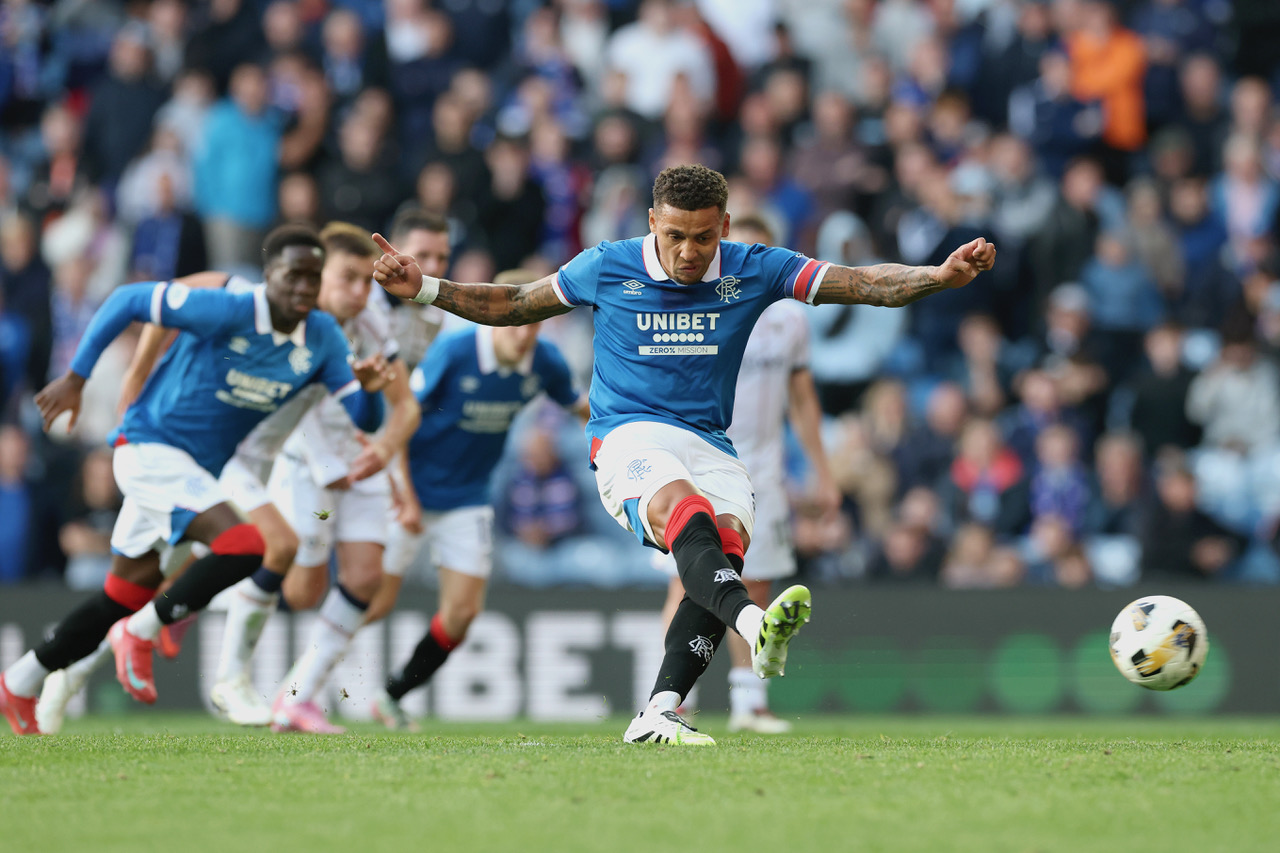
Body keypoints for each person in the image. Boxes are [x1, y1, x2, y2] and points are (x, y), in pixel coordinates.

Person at [371, 163, 996, 744]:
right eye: (675, 236)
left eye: (702, 238)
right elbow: (511, 304)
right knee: (688, 515)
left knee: (721, 552)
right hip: (627, 436)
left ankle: (660, 711)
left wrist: (938, 278)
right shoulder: (606, 266)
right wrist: (424, 287)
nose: (690, 252)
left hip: (712, 444)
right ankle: (751, 624)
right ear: (651, 223)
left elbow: (860, 283)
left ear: (723, 226)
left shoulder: (754, 266)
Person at [0, 225, 378, 736]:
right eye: (295, 275)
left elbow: (360, 413)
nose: (304, 288)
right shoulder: (230, 306)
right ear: (269, 276)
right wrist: (79, 377)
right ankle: (147, 633)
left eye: (312, 278)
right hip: (150, 449)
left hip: (197, 470)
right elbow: (130, 299)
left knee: (122, 593)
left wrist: (370, 389)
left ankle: (21, 681)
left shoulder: (326, 338)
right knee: (247, 544)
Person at [371, 270, 589, 731]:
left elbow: (582, 410)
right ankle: (302, 691)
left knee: (463, 614)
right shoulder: (454, 352)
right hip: (409, 491)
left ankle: (391, 695)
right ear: (491, 316)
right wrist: (404, 496)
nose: (526, 334)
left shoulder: (545, 361)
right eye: (518, 322)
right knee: (372, 604)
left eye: (535, 323)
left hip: (468, 498)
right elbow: (401, 418)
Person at [650, 214, 838, 734]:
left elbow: (802, 400)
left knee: (755, 583)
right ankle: (672, 702)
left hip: (765, 468)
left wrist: (823, 471)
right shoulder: (702, 306)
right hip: (701, 459)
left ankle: (748, 704)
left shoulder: (789, 321)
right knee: (686, 583)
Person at [265, 225, 421, 734]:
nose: (360, 292)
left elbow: (406, 408)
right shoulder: (293, 323)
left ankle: (295, 697)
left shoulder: (373, 321)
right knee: (303, 591)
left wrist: (384, 449)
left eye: (364, 281)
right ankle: (220, 576)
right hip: (303, 460)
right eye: (347, 279)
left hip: (358, 458)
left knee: (364, 578)